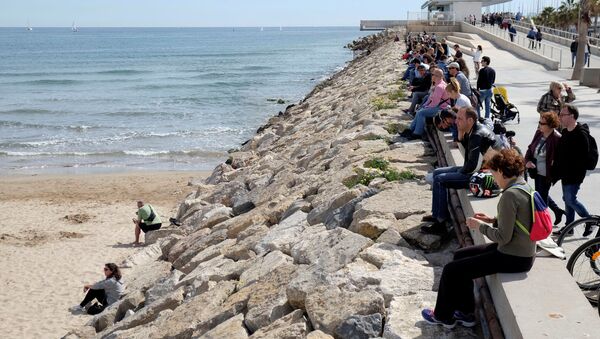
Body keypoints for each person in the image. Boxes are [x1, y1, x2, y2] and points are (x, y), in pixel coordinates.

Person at [421, 149, 536, 328]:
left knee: (451, 270)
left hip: (513, 257)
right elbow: (520, 221)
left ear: (501, 171)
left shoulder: (509, 195)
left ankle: (442, 316)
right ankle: (466, 313)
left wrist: (479, 226)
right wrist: (491, 220)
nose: (492, 176)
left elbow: (502, 237)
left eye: (493, 172)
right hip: (521, 252)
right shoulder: (524, 187)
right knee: (460, 256)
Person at [421, 107, 502, 234]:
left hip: (487, 177)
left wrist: (456, 173)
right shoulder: (472, 131)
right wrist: (460, 136)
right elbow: (467, 159)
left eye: (459, 118)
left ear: (470, 120)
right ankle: (436, 213)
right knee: (437, 173)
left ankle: (441, 224)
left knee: (439, 180)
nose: (456, 121)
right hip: (479, 169)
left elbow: (472, 167)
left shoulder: (477, 135)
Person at [553, 104, 594, 235]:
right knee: (567, 198)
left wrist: (569, 166)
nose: (560, 117)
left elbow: (583, 156)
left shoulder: (581, 134)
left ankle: (589, 220)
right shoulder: (565, 132)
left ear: (572, 116)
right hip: (566, 173)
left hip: (575, 174)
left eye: (563, 115)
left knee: (570, 199)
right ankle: (569, 228)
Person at [524, 112, 565, 225]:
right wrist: (527, 161)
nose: (540, 125)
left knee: (541, 198)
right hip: (536, 171)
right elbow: (530, 148)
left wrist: (554, 174)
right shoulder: (539, 133)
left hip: (547, 174)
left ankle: (543, 224)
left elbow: (560, 159)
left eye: (542, 123)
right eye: (539, 122)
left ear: (551, 125)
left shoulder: (557, 138)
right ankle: (557, 211)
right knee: (541, 194)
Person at [401, 68, 449, 140]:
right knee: (420, 111)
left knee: (421, 113)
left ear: (437, 76)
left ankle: (417, 133)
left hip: (441, 108)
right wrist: (424, 106)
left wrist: (426, 107)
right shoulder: (437, 84)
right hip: (438, 106)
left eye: (432, 75)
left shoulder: (440, 87)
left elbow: (435, 102)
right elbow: (430, 99)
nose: (431, 76)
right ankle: (410, 130)